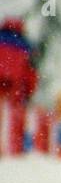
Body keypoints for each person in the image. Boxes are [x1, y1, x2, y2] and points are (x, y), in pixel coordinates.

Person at [0, 17, 39, 157]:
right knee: (12, 126)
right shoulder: (26, 48)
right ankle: (12, 151)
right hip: (14, 92)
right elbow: (30, 73)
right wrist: (28, 92)